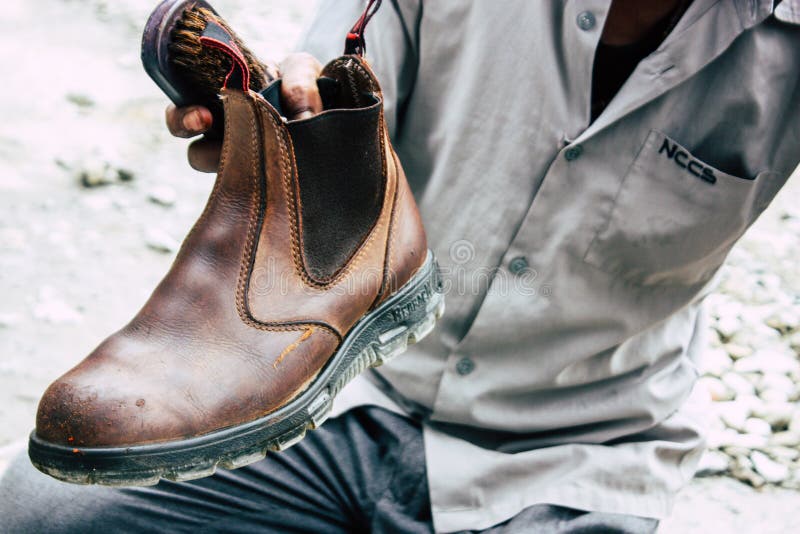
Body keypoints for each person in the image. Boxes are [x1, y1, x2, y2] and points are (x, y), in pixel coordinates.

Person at [3, 1, 800, 532]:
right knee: (39, 514)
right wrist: (283, 129)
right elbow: (330, 89)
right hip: (345, 391)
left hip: (577, 456)